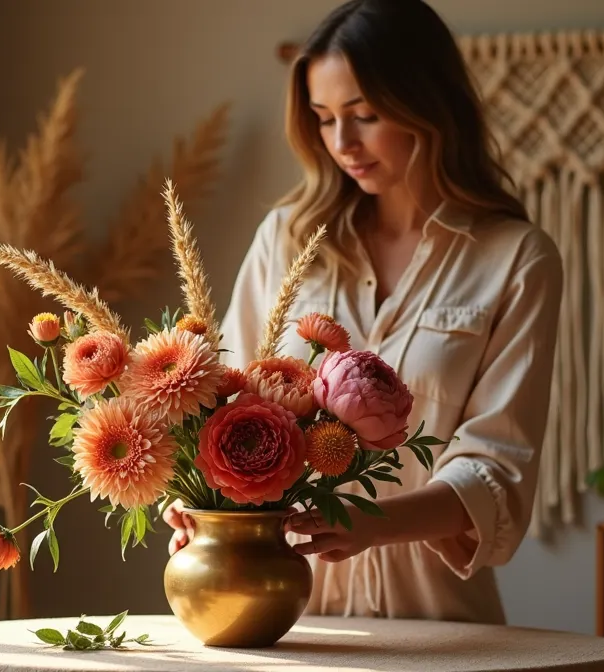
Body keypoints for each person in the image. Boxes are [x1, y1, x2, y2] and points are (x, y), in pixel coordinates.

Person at [163, 0, 564, 624]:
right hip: (278, 614)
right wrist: (200, 501)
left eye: (365, 115)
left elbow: (497, 466)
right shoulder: (288, 240)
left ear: (428, 106)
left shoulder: (517, 260)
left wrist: (370, 522)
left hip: (440, 625)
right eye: (324, 119)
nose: (342, 143)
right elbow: (228, 405)